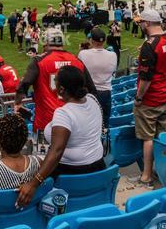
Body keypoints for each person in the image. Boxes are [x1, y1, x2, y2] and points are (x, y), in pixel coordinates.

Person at [16, 65, 105, 208]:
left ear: (62, 89)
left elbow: (56, 151)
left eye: (56, 82)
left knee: (30, 167)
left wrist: (33, 183)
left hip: (72, 173)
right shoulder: (92, 99)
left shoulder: (64, 113)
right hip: (98, 166)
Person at [14, 27, 97, 133]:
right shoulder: (76, 60)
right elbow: (91, 91)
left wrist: (17, 103)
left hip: (47, 122)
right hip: (74, 122)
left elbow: (24, 85)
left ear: (46, 42)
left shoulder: (39, 61)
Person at [132, 9, 166, 188]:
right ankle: (159, 171)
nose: (140, 25)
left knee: (148, 137)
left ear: (147, 23)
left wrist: (138, 97)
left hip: (152, 99)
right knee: (161, 135)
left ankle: (146, 176)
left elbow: (146, 79)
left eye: (141, 22)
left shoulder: (150, 45)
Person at [77, 28, 116, 127]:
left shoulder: (83, 54)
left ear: (91, 40)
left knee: (88, 125)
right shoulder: (113, 55)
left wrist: (81, 50)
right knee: (104, 125)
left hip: (89, 93)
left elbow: (79, 71)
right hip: (106, 93)